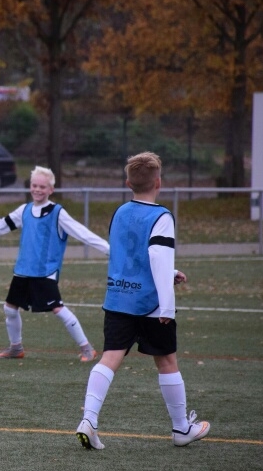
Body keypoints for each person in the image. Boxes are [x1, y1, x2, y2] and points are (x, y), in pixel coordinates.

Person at [75, 152, 210, 450]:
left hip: (118, 298)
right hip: (150, 303)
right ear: (159, 183)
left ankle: (89, 420)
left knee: (109, 359)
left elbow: (131, 254)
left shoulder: (119, 212)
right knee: (167, 361)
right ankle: (181, 428)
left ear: (128, 183)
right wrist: (167, 304)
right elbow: (157, 257)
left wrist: (170, 272)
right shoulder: (162, 216)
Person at [0, 166, 108, 362]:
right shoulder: (24, 210)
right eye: (34, 185)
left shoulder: (57, 213)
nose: (37, 190)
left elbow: (82, 233)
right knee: (10, 308)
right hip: (23, 270)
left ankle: (87, 348)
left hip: (45, 272)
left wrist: (109, 250)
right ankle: (16, 348)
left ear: (51, 189)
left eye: (42, 187)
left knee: (57, 308)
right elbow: (0, 225)